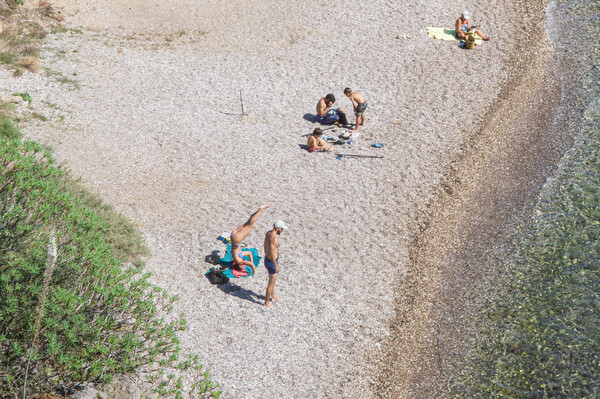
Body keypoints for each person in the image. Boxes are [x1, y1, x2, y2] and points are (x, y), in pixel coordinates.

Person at [229, 203, 270, 274]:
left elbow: (250, 265)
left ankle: (260, 210)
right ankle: (259, 210)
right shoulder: (239, 256)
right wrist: (251, 261)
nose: (244, 266)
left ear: (239, 266)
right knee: (248, 223)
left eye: (243, 267)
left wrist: (253, 271)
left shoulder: (238, 261)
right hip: (233, 236)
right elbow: (249, 253)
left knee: (250, 225)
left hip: (236, 239)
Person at [264, 220, 287, 308]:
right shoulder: (274, 238)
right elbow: (272, 252)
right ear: (277, 228)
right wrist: (276, 266)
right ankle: (266, 302)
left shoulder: (268, 233)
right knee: (271, 282)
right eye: (281, 229)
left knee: (271, 280)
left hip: (267, 259)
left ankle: (273, 296)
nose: (282, 231)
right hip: (272, 261)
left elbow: (266, 247)